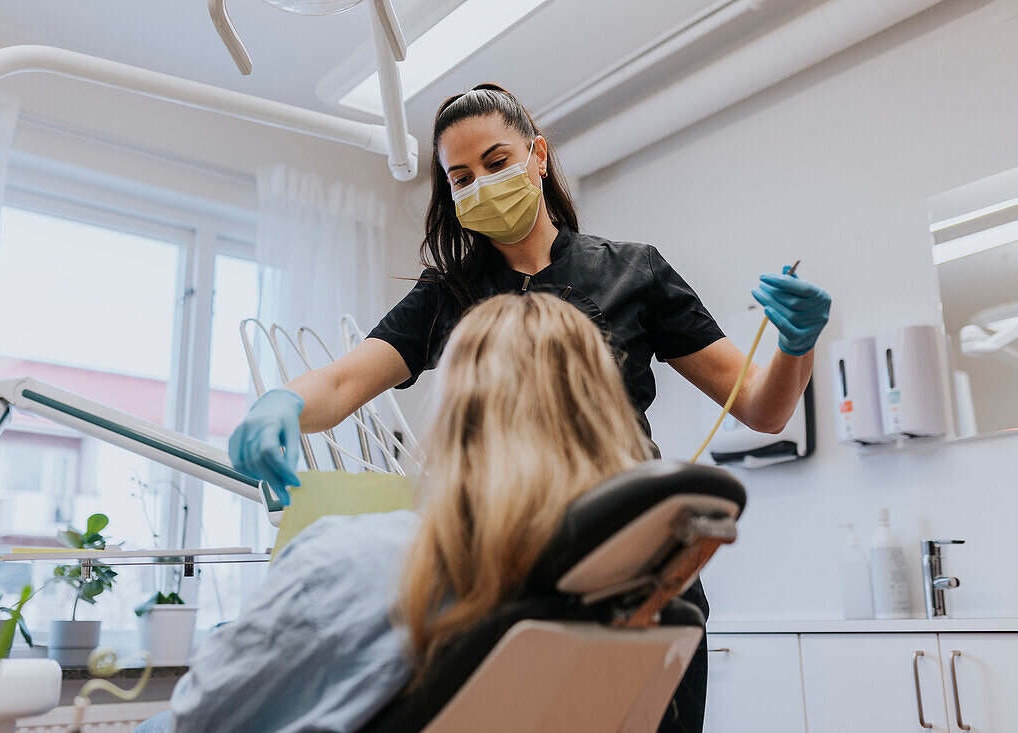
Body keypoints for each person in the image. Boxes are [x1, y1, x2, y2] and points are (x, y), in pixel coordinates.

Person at [228, 83, 831, 731]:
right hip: (504, 575)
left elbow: (764, 409)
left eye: (496, 162)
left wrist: (797, 347)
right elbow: (346, 381)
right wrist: (285, 399)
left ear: (537, 155)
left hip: (636, 565)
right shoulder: (449, 294)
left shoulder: (633, 273)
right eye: (460, 177)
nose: (481, 185)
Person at [136, 292, 657, 733]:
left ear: (458, 410)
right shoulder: (615, 593)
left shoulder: (349, 561)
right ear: (605, 412)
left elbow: (198, 720)